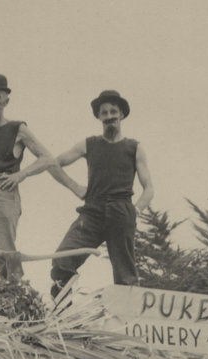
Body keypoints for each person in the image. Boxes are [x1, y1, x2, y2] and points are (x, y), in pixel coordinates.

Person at [0, 73, 83, 291]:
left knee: (4, 250)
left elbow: (46, 158)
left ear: (6, 101)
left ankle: (13, 298)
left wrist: (20, 175)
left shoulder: (17, 129)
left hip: (1, 191)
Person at [49, 90, 154, 298]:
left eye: (113, 111)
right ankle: (63, 315)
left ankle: (127, 323)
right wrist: (74, 186)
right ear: (98, 117)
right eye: (104, 113)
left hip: (121, 211)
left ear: (122, 114)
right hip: (92, 212)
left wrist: (136, 210)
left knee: (125, 275)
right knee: (63, 259)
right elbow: (53, 163)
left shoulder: (134, 148)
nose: (109, 116)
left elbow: (149, 188)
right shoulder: (89, 144)